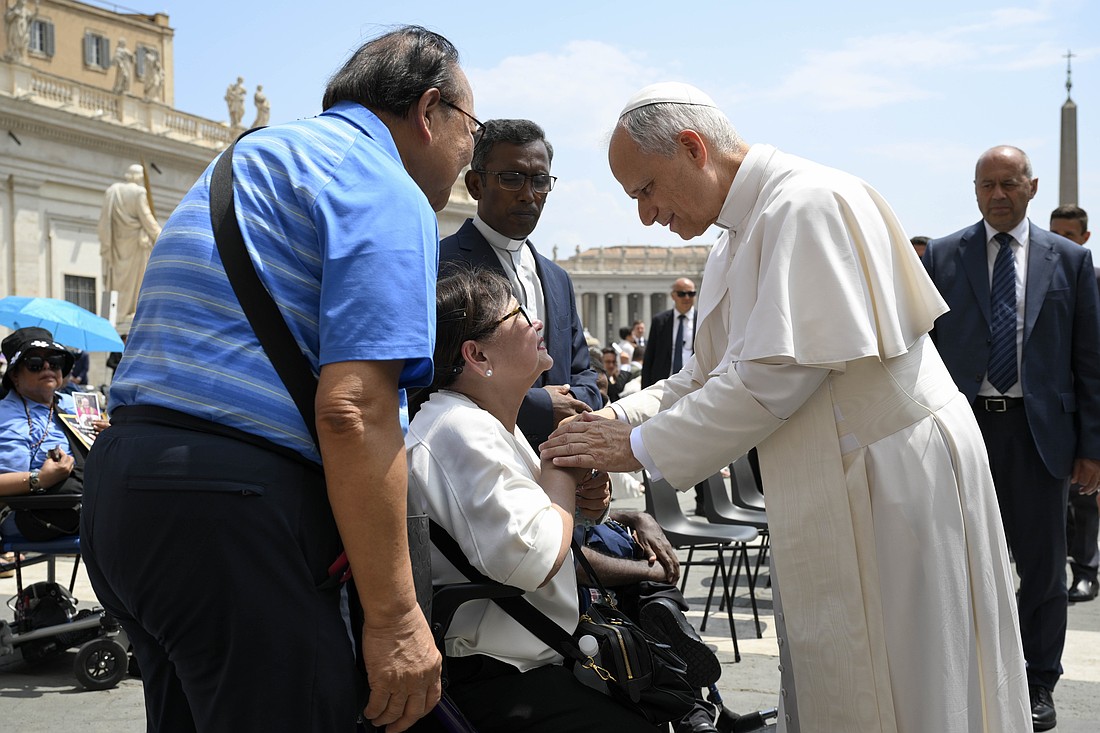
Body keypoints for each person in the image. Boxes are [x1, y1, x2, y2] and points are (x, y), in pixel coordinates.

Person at [541, 82, 1030, 733]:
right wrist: (615, 421)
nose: (646, 215)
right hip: (840, 474)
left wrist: (634, 448)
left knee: (911, 689)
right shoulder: (737, 237)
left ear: (692, 148)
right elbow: (705, 376)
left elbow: (775, 376)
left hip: (890, 478)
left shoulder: (807, 204)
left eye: (646, 189)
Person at [80, 26, 479, 733]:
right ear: (428, 112)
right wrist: (395, 619)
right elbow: (354, 407)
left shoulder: (249, 159)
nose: (467, 154)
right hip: (228, 511)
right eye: (470, 129)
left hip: (123, 492)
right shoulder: (384, 184)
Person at [405, 267, 648, 733]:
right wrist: (560, 465)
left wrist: (579, 498)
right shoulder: (459, 430)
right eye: (517, 315)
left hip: (536, 655)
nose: (535, 323)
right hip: (505, 674)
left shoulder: (484, 423)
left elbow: (539, 522)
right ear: (476, 355)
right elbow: (535, 556)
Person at [923, 148, 1100, 731]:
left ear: (1032, 187)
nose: (998, 194)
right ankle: (971, 675)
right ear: (974, 190)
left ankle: (1038, 682)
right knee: (963, 560)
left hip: (1040, 434)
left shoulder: (1070, 261)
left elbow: (1089, 361)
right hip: (964, 432)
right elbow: (920, 354)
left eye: (1009, 183)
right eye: (987, 185)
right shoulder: (944, 256)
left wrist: (1092, 446)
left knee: (1044, 567)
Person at [438, 118, 600, 447]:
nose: (529, 195)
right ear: (475, 185)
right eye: (511, 179)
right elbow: (436, 380)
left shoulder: (557, 279)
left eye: (540, 181)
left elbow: (584, 374)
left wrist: (576, 414)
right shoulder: (440, 265)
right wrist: (540, 407)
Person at [1049, 205, 1098, 604]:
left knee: (1084, 500)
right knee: (1053, 507)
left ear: (1085, 238)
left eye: (1069, 235)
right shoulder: (1036, 281)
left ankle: (1086, 573)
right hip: (1047, 412)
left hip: (1087, 409)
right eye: (1054, 233)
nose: (1060, 241)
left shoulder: (1094, 281)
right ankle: (1049, 577)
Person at [0, 328, 79, 536]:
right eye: (34, 364)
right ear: (15, 376)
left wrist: (108, 437)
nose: (47, 367)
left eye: (54, 362)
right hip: (24, 511)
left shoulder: (76, 405)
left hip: (80, 501)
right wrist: (40, 479)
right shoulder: (5, 413)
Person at [98, 163, 161, 326]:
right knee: (136, 280)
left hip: (117, 244)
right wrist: (162, 237)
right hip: (135, 246)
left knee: (119, 280)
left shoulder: (113, 191)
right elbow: (147, 220)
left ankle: (118, 313)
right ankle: (129, 312)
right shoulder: (139, 192)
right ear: (139, 177)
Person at [641, 277, 696, 388]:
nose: (687, 298)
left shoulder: (702, 320)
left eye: (691, 294)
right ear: (673, 296)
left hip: (693, 384)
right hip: (664, 383)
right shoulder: (660, 321)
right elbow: (650, 356)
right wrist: (645, 388)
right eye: (682, 294)